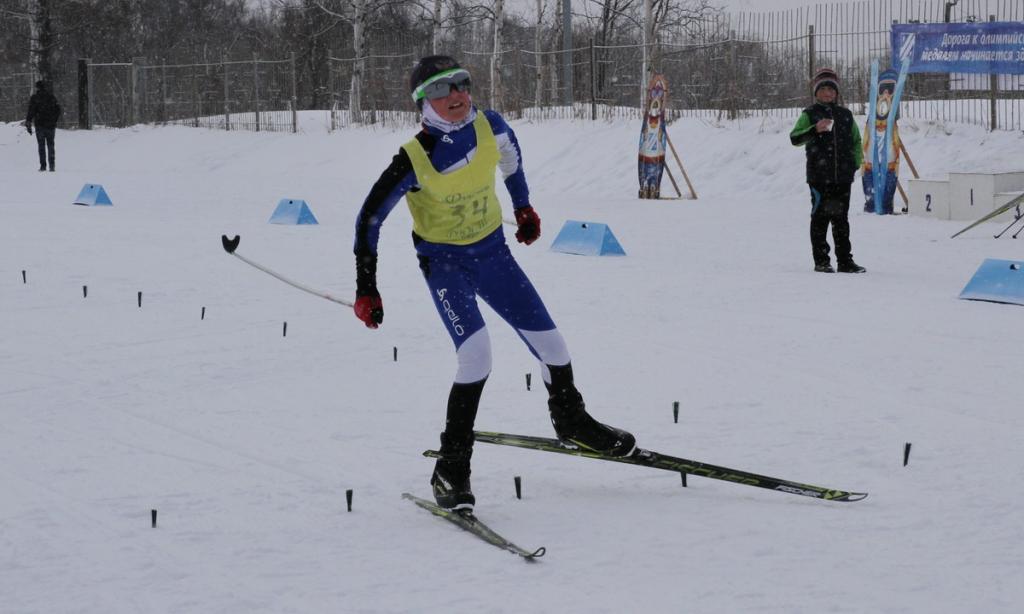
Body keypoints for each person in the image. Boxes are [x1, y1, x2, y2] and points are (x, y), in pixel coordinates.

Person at [351, 55, 636, 511]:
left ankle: (572, 421)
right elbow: (369, 219)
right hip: (445, 265)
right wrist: (367, 286)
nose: (457, 95)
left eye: (461, 84)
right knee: (477, 356)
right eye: (442, 90)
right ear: (422, 102)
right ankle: (451, 467)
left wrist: (523, 206)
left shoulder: (490, 125)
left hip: (493, 255)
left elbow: (511, 159)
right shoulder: (413, 157)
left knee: (554, 347)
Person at [789, 68, 866, 273]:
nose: (827, 93)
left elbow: (856, 141)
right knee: (820, 218)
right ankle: (822, 261)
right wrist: (814, 129)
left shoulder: (845, 115)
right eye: (823, 89)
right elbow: (794, 138)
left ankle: (845, 261)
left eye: (831, 90)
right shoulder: (809, 114)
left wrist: (855, 163)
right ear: (816, 92)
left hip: (842, 177)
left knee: (841, 219)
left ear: (837, 93)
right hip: (819, 177)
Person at [25, 80, 62, 172]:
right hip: (50, 125)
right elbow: (58, 110)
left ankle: (43, 165)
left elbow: (31, 111)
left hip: (40, 125)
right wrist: (54, 120)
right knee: (51, 145)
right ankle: (52, 165)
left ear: (37, 88)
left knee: (41, 145)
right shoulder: (51, 97)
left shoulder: (35, 98)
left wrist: (28, 122)